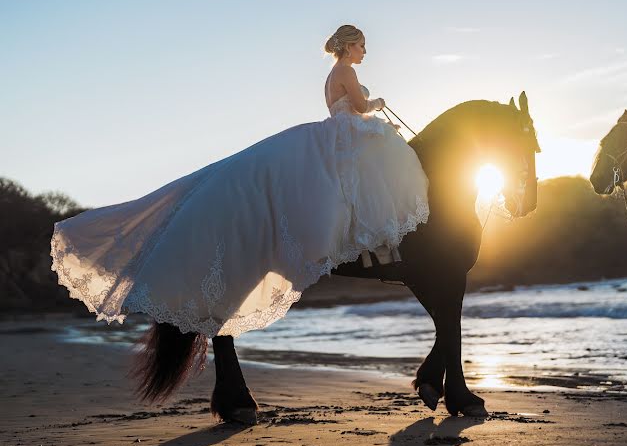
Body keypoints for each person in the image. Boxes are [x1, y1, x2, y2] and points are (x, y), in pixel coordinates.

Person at [50, 24, 430, 337]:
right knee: (371, 182)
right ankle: (380, 249)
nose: (365, 51)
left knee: (364, 182)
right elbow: (360, 108)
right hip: (348, 134)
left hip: (336, 132)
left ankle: (378, 249)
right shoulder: (347, 71)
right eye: (362, 45)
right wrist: (378, 103)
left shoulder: (334, 73)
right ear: (349, 46)